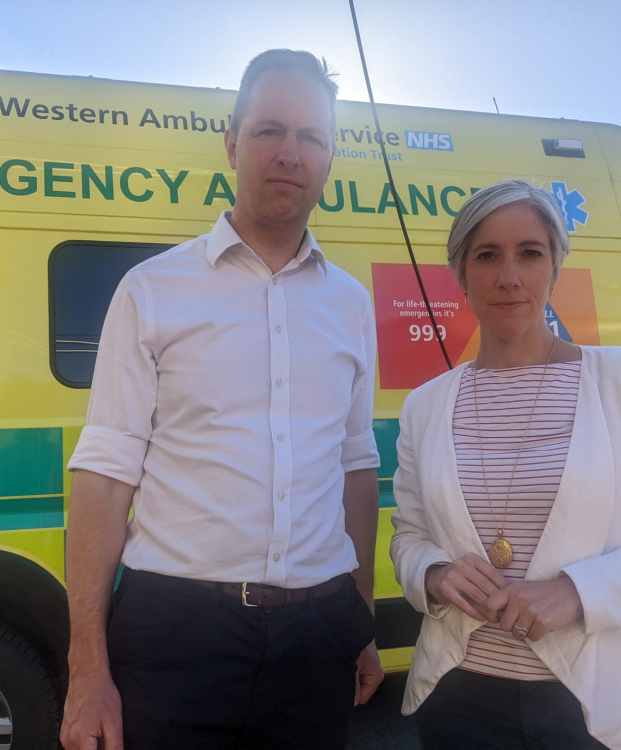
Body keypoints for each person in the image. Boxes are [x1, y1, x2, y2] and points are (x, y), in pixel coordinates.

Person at [59, 49, 383, 750]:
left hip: (318, 634)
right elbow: (105, 473)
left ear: (330, 158)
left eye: (312, 138)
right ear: (232, 142)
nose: (290, 154)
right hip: (176, 634)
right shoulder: (151, 290)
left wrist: (359, 620)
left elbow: (356, 468)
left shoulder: (352, 305)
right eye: (269, 130)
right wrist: (87, 667)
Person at [389, 179, 621, 749]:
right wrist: (432, 573)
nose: (509, 276)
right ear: (461, 275)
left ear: (554, 268)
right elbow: (409, 536)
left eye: (530, 253)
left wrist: (579, 592)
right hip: (460, 698)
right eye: (487, 256)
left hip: (600, 707)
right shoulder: (425, 405)